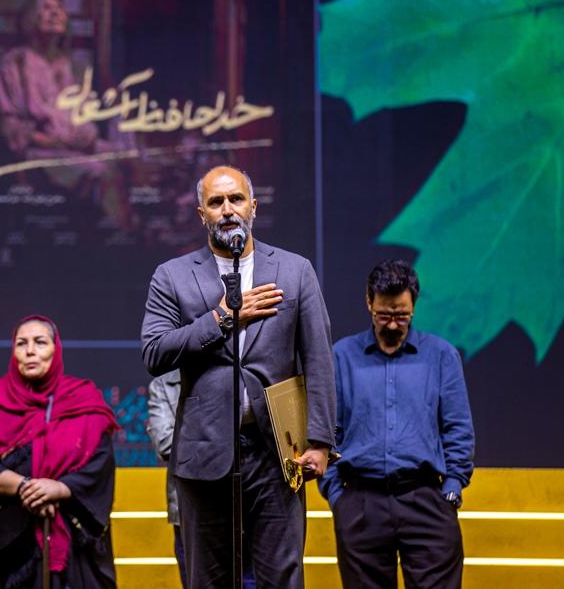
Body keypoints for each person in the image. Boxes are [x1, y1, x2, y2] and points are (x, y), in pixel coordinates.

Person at [141, 165, 336, 588]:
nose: (227, 209)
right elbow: (155, 352)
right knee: (208, 580)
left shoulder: (295, 270)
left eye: (236, 199)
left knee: (282, 578)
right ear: (202, 214)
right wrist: (223, 317)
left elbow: (319, 360)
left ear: (254, 206)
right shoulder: (172, 275)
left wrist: (320, 441)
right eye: (216, 202)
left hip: (276, 453)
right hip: (203, 453)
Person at [319, 259, 474, 589]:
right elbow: (328, 431)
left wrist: (452, 488)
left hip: (427, 499)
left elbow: (457, 429)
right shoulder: (341, 356)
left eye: (402, 315)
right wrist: (336, 496)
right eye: (384, 315)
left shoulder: (442, 355)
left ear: (414, 306)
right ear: (368, 302)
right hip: (360, 502)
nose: (392, 324)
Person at [0, 315, 118, 589]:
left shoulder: (83, 398)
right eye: (21, 343)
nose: (30, 351)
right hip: (10, 543)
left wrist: (59, 488)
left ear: (56, 349)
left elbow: (100, 462)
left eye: (40, 342)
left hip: (73, 540)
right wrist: (26, 488)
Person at [0, 0, 130, 228]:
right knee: (101, 170)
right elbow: (11, 127)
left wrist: (85, 136)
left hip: (75, 147)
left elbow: (84, 116)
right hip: (41, 152)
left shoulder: (71, 64)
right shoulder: (15, 63)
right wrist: (56, 142)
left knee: (127, 157)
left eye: (59, 8)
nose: (55, 13)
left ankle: (130, 229)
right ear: (30, 18)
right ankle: (116, 233)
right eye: (46, 8)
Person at [146, 370, 256, 589]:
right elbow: (165, 443)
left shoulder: (237, 371)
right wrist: (221, 439)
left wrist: (201, 438)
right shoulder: (164, 384)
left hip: (243, 500)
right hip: (191, 505)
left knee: (252, 582)